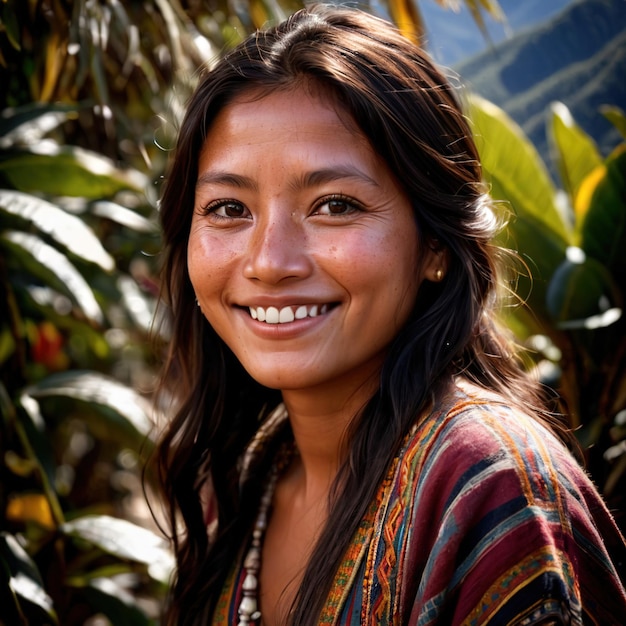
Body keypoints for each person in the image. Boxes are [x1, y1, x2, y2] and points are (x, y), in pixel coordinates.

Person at [154, 5, 626, 625]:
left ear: (434, 244)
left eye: (334, 204)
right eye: (227, 209)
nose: (269, 262)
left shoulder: (495, 494)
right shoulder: (241, 483)